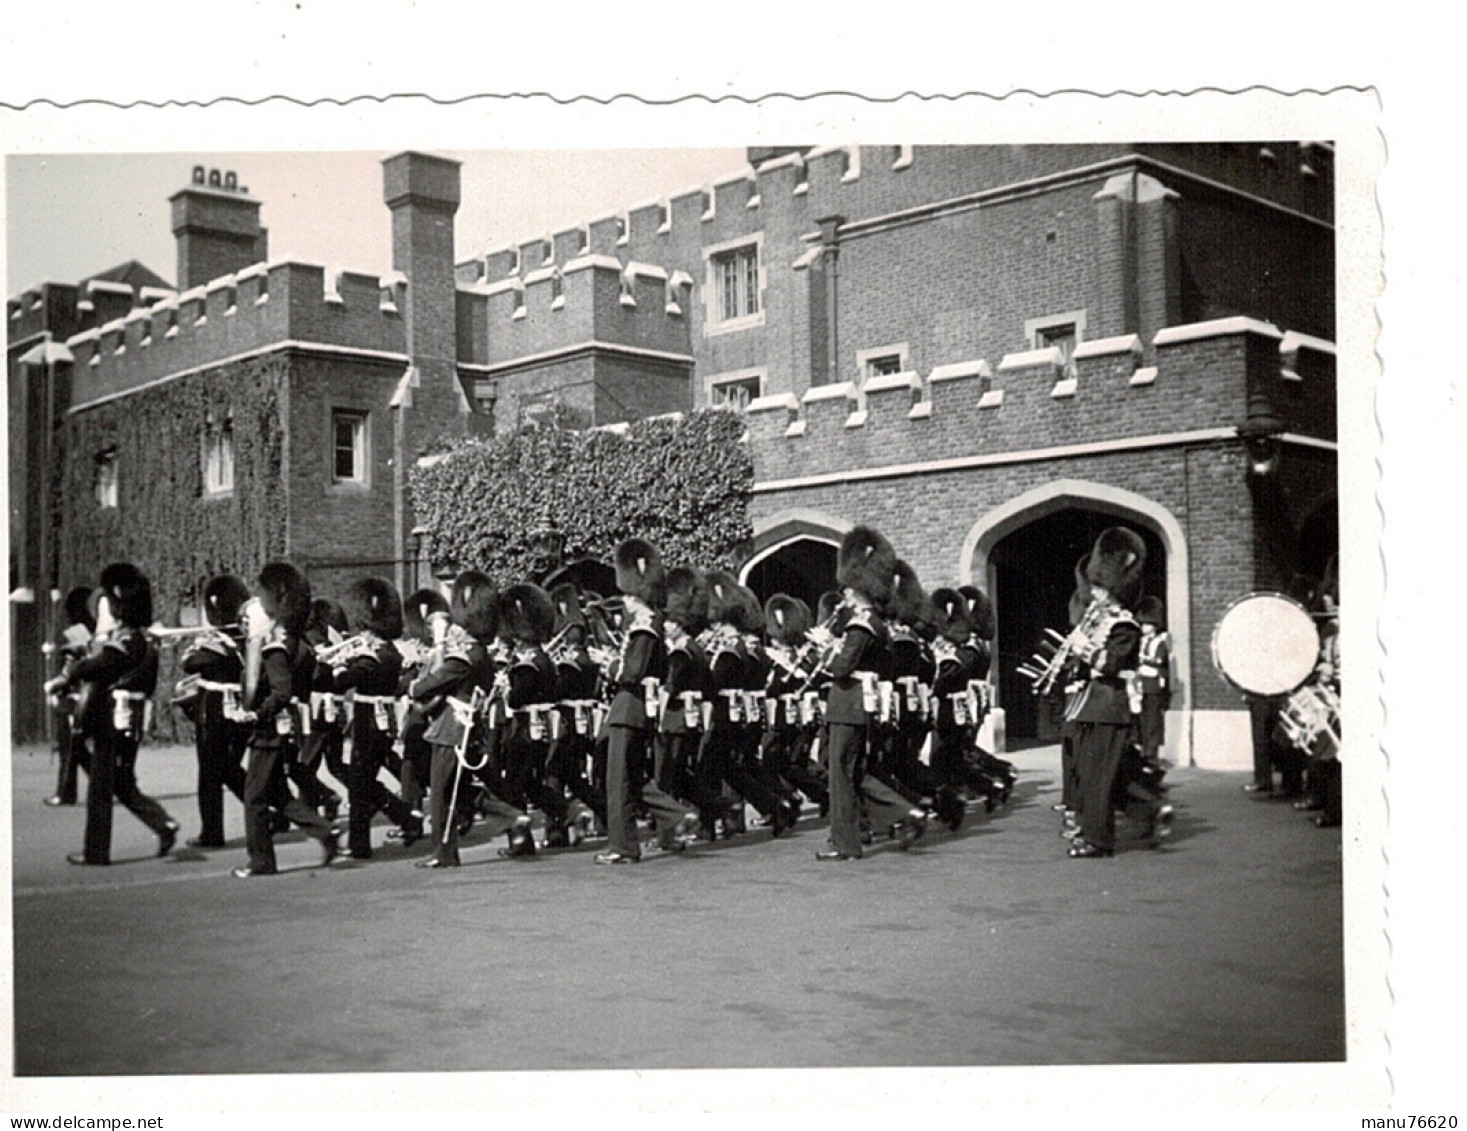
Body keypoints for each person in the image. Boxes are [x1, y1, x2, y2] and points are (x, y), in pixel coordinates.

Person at [47, 563, 180, 865]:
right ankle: (163, 824)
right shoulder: (140, 637)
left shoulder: (129, 639)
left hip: (114, 720)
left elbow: (101, 665)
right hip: (127, 719)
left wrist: (70, 673)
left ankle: (96, 852)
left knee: (100, 787)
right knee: (121, 783)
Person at [816, 526, 928, 861]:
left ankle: (847, 842)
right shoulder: (872, 623)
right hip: (856, 705)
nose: (845, 597)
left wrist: (824, 648)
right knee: (854, 771)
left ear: (858, 590)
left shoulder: (861, 624)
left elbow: (841, 667)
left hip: (848, 705)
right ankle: (903, 813)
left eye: (849, 591)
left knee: (840, 773)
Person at [1066, 528, 1172, 858]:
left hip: (1110, 707)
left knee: (1098, 776)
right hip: (1090, 705)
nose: (1093, 594)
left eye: (1098, 588)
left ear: (1113, 589)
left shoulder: (1125, 625)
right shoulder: (1097, 621)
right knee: (1102, 774)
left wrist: (1084, 650)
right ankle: (1148, 811)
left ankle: (1098, 840)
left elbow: (1111, 664)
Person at [233, 562, 339, 877]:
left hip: (269, 730)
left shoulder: (276, 647)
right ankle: (325, 831)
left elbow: (281, 691)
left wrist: (255, 712)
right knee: (278, 795)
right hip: (280, 728)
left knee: (253, 798)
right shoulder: (296, 644)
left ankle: (261, 861)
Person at [596, 537, 693, 864]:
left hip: (627, 709)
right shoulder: (653, 627)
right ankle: (677, 815)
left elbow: (631, 671)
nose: (624, 601)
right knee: (635, 779)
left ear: (635, 596)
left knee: (618, 782)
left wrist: (607, 664)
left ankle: (622, 846)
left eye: (626, 595)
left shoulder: (643, 629)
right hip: (639, 710)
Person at [409, 570, 499, 868]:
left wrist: (414, 685)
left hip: (451, 729)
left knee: (440, 793)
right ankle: (510, 817)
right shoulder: (480, 655)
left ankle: (443, 852)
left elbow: (429, 684)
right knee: (456, 790)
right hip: (465, 726)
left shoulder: (462, 659)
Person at [334, 577, 423, 859]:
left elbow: (345, 681)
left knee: (359, 787)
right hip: (381, 722)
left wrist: (334, 667)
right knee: (364, 782)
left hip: (369, 724)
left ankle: (360, 846)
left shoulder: (373, 657)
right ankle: (407, 819)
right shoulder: (391, 653)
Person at [176, 574, 251, 848]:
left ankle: (212, 831)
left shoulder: (220, 643)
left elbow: (190, 663)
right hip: (239, 708)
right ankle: (269, 810)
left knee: (210, 772)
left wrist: (202, 644)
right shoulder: (244, 638)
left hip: (215, 710)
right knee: (229, 769)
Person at [44, 585, 96, 807]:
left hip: (72, 697)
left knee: (69, 747)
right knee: (78, 749)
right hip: (84, 696)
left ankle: (65, 792)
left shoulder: (75, 636)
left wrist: (55, 685)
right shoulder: (92, 632)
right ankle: (109, 783)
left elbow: (69, 670)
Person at [1134, 595, 1172, 771]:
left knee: (1152, 722)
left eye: (1147, 624)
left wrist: (1143, 659)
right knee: (1143, 721)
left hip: (1153, 683)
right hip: (1141, 683)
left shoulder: (1160, 642)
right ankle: (1144, 753)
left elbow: (1159, 660)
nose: (1144, 627)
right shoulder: (1141, 642)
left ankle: (1152, 756)